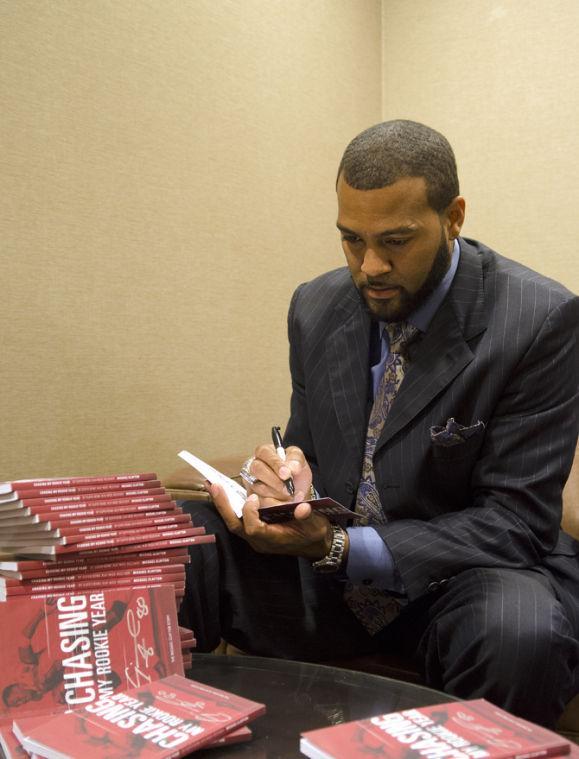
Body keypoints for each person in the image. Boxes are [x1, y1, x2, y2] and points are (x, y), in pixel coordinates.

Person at [182, 120, 579, 728]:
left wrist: (344, 546)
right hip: (328, 584)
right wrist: (281, 485)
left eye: (396, 241)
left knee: (518, 628)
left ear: (454, 217)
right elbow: (308, 451)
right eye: (350, 240)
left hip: (459, 586)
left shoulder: (539, 320)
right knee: (181, 536)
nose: (369, 267)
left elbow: (516, 523)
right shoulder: (315, 306)